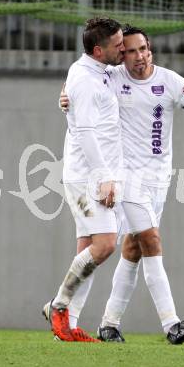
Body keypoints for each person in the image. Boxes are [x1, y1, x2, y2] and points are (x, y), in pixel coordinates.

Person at [58, 25, 184, 345]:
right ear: (119, 54)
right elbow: (82, 83)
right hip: (120, 178)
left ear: (151, 50)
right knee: (140, 241)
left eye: (143, 50)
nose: (137, 56)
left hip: (156, 179)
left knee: (132, 247)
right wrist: (66, 96)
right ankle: (171, 324)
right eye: (129, 51)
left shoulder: (171, 82)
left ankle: (106, 323)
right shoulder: (112, 76)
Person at [42, 17, 125, 342]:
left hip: (93, 175)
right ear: (98, 50)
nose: (122, 49)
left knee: (87, 250)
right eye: (117, 45)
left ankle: (68, 325)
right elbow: (86, 131)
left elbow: (77, 111)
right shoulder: (85, 80)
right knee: (105, 245)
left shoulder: (97, 72)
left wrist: (65, 104)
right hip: (85, 177)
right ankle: (58, 304)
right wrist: (104, 178)